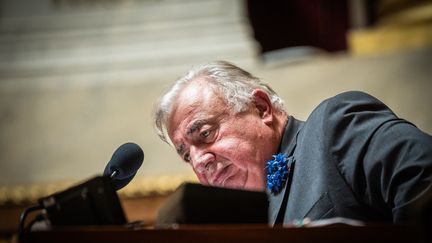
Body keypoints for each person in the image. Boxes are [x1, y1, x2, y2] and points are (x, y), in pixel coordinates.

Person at [153, 60, 432, 225]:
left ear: (261, 108)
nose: (200, 161)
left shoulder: (333, 127)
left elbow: (424, 179)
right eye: (187, 156)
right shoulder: (235, 225)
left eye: (204, 134)